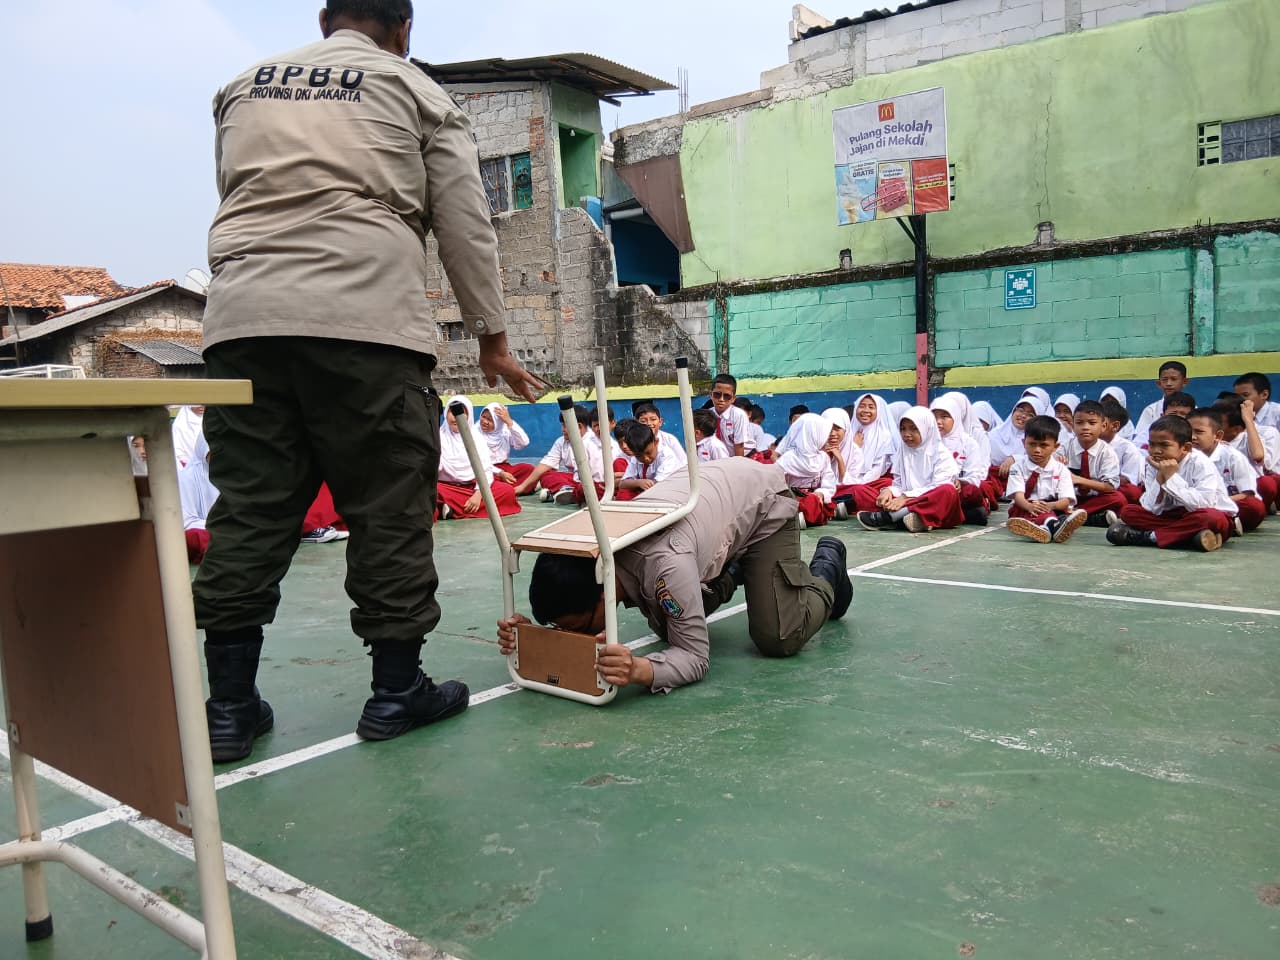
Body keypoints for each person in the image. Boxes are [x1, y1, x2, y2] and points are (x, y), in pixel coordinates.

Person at [194, 0, 544, 761]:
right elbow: (465, 225)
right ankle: (395, 693)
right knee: (388, 507)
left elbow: (235, 195)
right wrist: (492, 340)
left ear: (325, 19)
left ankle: (227, 709)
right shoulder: (417, 92)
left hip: (243, 323)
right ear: (404, 29)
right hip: (366, 322)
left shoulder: (242, 87)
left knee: (249, 509)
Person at [495, 459, 854, 694]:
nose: (575, 637)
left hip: (764, 502)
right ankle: (738, 568)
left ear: (602, 594)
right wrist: (531, 638)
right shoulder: (588, 549)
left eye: (578, 629)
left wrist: (639, 670)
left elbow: (695, 658)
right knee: (670, 627)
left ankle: (828, 564)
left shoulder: (665, 565)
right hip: (713, 501)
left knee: (778, 637)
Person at [1107, 416, 1237, 552]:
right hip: (1173, 517)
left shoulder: (1201, 463)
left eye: (1164, 445)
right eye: (1152, 445)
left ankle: (1150, 537)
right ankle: (1192, 537)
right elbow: (1151, 508)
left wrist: (1170, 477)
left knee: (1210, 518)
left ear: (1186, 448)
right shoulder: (1153, 464)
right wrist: (1160, 478)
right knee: (1128, 512)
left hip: (1201, 513)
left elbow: (1204, 504)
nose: (1156, 450)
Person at [857, 406, 963, 533]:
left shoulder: (941, 453)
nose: (907, 434)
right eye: (903, 429)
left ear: (926, 428)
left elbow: (937, 487)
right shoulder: (903, 450)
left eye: (914, 429)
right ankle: (913, 518)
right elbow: (899, 484)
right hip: (906, 501)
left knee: (948, 490)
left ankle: (890, 517)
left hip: (933, 505)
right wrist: (889, 491)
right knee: (866, 493)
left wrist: (905, 498)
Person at [1004, 415, 1087, 544]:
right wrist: (1029, 506)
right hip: (1025, 506)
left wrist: (1050, 506)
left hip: (1052, 506)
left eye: (1044, 445)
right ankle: (1054, 526)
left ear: (1055, 446)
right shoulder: (1017, 467)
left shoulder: (1061, 469)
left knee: (1061, 511)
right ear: (1023, 442)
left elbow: (1065, 500)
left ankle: (1045, 529)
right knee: (1034, 511)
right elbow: (1018, 496)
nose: (1037, 450)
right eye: (1032, 444)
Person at [436, 396, 522, 520]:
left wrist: (479, 494)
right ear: (445, 413)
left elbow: (485, 469)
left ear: (469, 416)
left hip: (473, 486)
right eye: (451, 412)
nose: (455, 417)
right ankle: (454, 507)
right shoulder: (438, 437)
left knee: (506, 491)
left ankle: (449, 508)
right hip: (446, 487)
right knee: (432, 491)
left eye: (462, 413)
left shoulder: (476, 438)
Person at [1187, 407, 1263, 533]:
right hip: (1196, 506)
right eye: (1188, 432)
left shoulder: (1233, 457)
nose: (1192, 437)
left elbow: (1247, 493)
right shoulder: (1183, 456)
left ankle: (1220, 524)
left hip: (1228, 503)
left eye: (1199, 432)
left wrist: (1215, 504)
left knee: (1253, 506)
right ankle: (1225, 526)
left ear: (1217, 436)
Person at [1057, 399, 1128, 527]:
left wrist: (1079, 480)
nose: (1085, 427)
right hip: (1067, 498)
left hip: (1094, 499)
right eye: (1079, 423)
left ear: (1103, 426)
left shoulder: (1107, 452)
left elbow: (1110, 486)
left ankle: (1071, 516)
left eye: (1092, 423)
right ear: (1072, 425)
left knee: (1118, 499)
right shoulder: (1064, 449)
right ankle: (1091, 518)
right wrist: (1058, 470)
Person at [930, 393, 990, 525]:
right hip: (932, 489)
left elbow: (974, 477)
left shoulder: (969, 443)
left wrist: (960, 482)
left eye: (944, 417)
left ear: (956, 418)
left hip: (957, 490)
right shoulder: (926, 442)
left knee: (972, 491)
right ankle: (961, 514)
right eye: (934, 417)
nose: (938, 421)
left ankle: (935, 514)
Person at [1215, 396, 1280, 513]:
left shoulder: (1248, 438)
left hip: (1244, 492)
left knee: (1266, 484)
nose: (1213, 426)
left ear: (1236, 429)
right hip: (1218, 492)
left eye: (1219, 424)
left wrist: (1248, 420)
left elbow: (1258, 456)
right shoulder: (1208, 439)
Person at [513, 405, 589, 501]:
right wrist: (522, 487)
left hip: (592, 481)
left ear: (579, 426)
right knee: (546, 475)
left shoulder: (593, 441)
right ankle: (567, 491)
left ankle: (563, 492)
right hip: (574, 480)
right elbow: (545, 465)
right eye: (562, 425)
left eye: (565, 426)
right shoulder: (561, 442)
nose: (562, 429)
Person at [776, 413, 838, 528]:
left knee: (816, 501)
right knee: (796, 503)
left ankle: (800, 516)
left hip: (814, 496)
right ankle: (800, 514)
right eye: (824, 435)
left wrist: (821, 493)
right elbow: (775, 482)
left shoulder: (823, 458)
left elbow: (829, 483)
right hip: (793, 496)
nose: (827, 438)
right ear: (813, 436)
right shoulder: (789, 458)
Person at [179, 434, 219, 563]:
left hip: (225, 529)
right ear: (203, 449)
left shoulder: (230, 476)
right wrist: (219, 525)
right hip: (206, 530)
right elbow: (186, 521)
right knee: (193, 538)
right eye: (213, 451)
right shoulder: (186, 478)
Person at [618, 420, 685, 494]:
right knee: (624, 493)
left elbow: (658, 487)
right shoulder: (635, 457)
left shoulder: (666, 456)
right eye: (639, 455)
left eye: (648, 453)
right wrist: (638, 482)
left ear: (656, 442)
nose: (646, 458)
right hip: (650, 493)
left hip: (672, 492)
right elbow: (622, 484)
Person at [1099, 398, 1145, 503]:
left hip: (1113, 488)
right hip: (1089, 487)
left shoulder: (1128, 448)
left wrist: (1095, 482)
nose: (1090, 426)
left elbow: (1127, 480)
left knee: (1131, 492)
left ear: (1115, 426)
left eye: (1096, 422)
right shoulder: (1085, 443)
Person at [1132, 360, 1190, 439]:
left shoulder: (1193, 408)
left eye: (1174, 379)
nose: (1169, 383)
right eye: (1165, 379)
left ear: (1185, 382)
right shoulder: (1151, 410)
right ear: (1159, 383)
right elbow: (1139, 438)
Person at [480, 403, 534, 485]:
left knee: (529, 469)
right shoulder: (474, 433)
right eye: (483, 417)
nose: (485, 422)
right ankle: (514, 488)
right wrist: (500, 473)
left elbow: (523, 442)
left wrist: (509, 422)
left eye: (491, 420)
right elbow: (478, 464)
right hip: (486, 470)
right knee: (486, 480)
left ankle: (509, 488)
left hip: (505, 468)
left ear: (498, 422)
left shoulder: (503, 430)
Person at [634, 403, 689, 468]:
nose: (649, 423)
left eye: (653, 419)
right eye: (643, 421)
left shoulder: (669, 439)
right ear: (636, 423)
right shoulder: (633, 440)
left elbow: (684, 463)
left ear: (660, 422)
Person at [709, 374, 750, 455]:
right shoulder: (708, 414)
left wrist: (737, 463)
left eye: (727, 396)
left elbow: (739, 446)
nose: (721, 399)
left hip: (742, 455)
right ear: (711, 395)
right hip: (721, 458)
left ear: (733, 399)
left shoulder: (738, 415)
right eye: (717, 394)